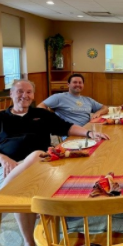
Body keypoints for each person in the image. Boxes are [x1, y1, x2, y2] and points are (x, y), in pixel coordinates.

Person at [0, 79, 110, 246]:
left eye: (29, 92)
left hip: (42, 165)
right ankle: (30, 242)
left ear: (33, 95)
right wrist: (2, 158)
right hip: (9, 166)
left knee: (37, 155)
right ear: (11, 94)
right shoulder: (0, 117)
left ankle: (4, 199)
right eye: (20, 91)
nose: (25, 95)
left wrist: (89, 133)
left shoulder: (41, 114)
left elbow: (67, 127)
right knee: (23, 187)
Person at [37, 73, 108, 126]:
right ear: (68, 84)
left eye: (80, 83)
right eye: (75, 82)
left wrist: (98, 113)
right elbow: (40, 107)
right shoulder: (59, 97)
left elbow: (105, 108)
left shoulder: (88, 100)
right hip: (70, 133)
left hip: (88, 130)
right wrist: (51, 119)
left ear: (83, 85)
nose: (78, 84)